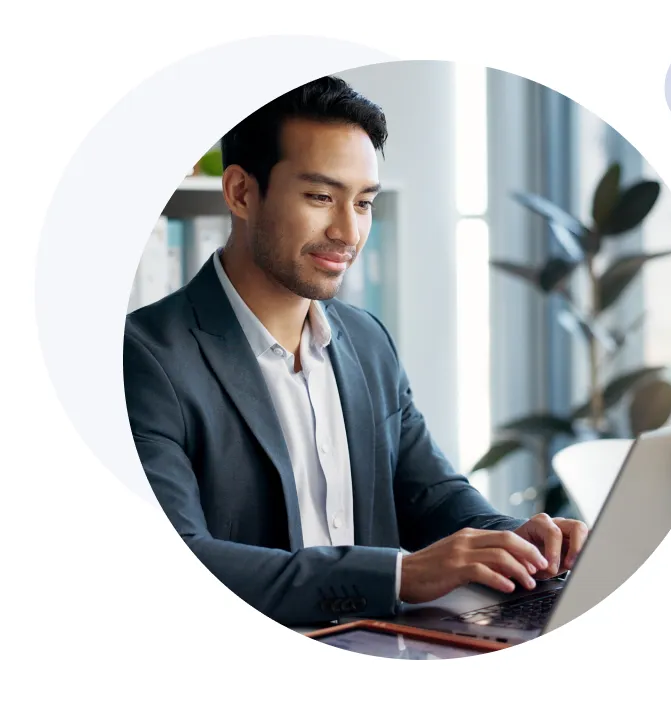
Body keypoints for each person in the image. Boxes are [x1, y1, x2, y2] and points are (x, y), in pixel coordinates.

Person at [123, 75, 588, 627]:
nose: (348, 232)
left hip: (382, 644)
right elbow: (178, 559)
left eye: (363, 202)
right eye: (321, 197)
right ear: (241, 192)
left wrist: (513, 538)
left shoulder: (367, 339)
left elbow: (432, 497)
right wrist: (398, 576)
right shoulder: (144, 356)